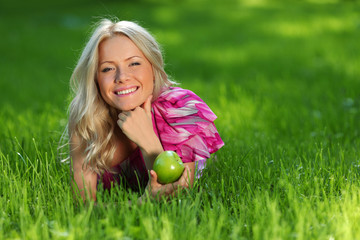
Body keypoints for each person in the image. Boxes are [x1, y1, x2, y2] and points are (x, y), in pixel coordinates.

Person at [67, 18, 224, 202]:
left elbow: (178, 200)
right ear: (95, 78)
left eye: (134, 63)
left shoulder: (181, 110)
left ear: (153, 66)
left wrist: (148, 141)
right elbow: (84, 207)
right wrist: (144, 202)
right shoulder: (87, 117)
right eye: (107, 68)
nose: (122, 77)